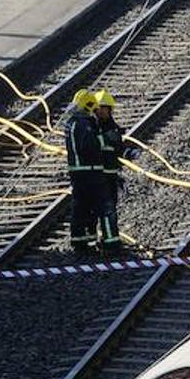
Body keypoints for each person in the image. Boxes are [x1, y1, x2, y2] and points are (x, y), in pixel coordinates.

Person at [65, 88, 103, 255]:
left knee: (80, 207)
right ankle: (85, 243)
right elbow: (90, 147)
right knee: (87, 208)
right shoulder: (84, 125)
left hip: (78, 171)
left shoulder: (73, 123)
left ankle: (81, 241)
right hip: (87, 172)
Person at [90, 88, 126, 253]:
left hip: (108, 176)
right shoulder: (91, 127)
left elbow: (117, 148)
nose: (101, 111)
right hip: (96, 175)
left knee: (108, 210)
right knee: (96, 210)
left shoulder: (112, 128)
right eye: (99, 108)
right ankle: (99, 243)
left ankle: (109, 242)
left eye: (105, 108)